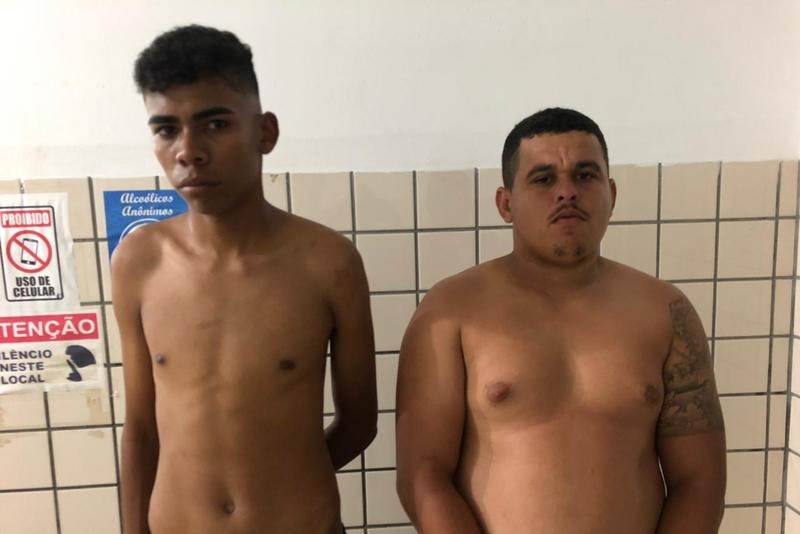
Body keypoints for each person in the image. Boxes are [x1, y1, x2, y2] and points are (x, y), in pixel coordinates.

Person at [396, 107, 726, 534]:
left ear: (611, 194)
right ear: (505, 204)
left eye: (585, 176)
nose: (567, 192)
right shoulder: (449, 312)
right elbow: (423, 476)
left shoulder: (666, 312)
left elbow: (699, 480)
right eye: (543, 178)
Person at [113, 25, 377, 534]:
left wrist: (282, 483)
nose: (188, 151)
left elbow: (360, 422)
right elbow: (142, 429)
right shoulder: (138, 261)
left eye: (214, 124)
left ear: (265, 132)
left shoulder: (329, 262)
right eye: (166, 130)